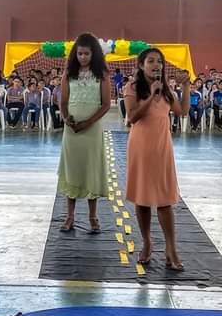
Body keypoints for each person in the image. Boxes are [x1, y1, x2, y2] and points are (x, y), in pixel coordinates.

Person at [124, 48, 187, 271]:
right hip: (141, 147)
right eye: (150, 61)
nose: (156, 65)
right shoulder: (132, 88)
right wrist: (151, 95)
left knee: (164, 199)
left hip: (162, 147)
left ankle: (171, 248)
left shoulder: (167, 89)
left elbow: (182, 111)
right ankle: (147, 242)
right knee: (142, 198)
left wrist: (185, 87)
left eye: (159, 61)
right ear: (141, 65)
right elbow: (132, 117)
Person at [57, 33, 112, 234]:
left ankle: (93, 217)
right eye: (79, 53)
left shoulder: (102, 74)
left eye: (86, 54)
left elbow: (106, 104)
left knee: (91, 168)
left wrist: (88, 122)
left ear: (94, 54)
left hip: (92, 129)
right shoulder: (68, 73)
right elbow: (63, 101)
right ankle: (69, 216)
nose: (82, 57)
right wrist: (66, 118)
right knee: (72, 168)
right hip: (71, 130)